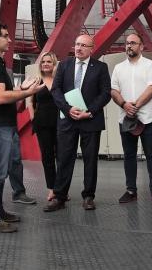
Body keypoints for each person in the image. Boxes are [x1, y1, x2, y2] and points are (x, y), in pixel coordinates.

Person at [0, 23, 39, 233]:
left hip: (0, 125)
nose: (9, 40)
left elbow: (5, 95)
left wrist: (21, 88)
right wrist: (28, 92)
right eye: (5, 36)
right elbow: (1, 97)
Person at [45, 34, 111, 212]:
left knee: (90, 160)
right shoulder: (64, 65)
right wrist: (67, 109)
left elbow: (105, 93)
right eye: (77, 44)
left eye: (83, 45)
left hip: (90, 120)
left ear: (92, 48)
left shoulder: (101, 67)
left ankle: (88, 196)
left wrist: (89, 111)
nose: (79, 48)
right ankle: (59, 196)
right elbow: (56, 89)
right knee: (64, 158)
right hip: (68, 120)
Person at [110, 32, 152, 204]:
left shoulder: (150, 65)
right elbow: (113, 90)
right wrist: (125, 105)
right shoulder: (118, 68)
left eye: (133, 43)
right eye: (127, 43)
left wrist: (135, 105)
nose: (129, 46)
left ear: (141, 46)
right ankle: (131, 191)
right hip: (126, 119)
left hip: (148, 118)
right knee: (129, 156)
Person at [26, 51, 61, 202]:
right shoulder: (36, 81)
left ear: (54, 64)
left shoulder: (60, 81)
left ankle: (61, 188)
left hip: (60, 124)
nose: (46, 64)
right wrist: (34, 119)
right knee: (47, 157)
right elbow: (29, 102)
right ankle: (52, 189)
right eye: (43, 62)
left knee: (62, 157)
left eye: (49, 62)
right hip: (42, 124)